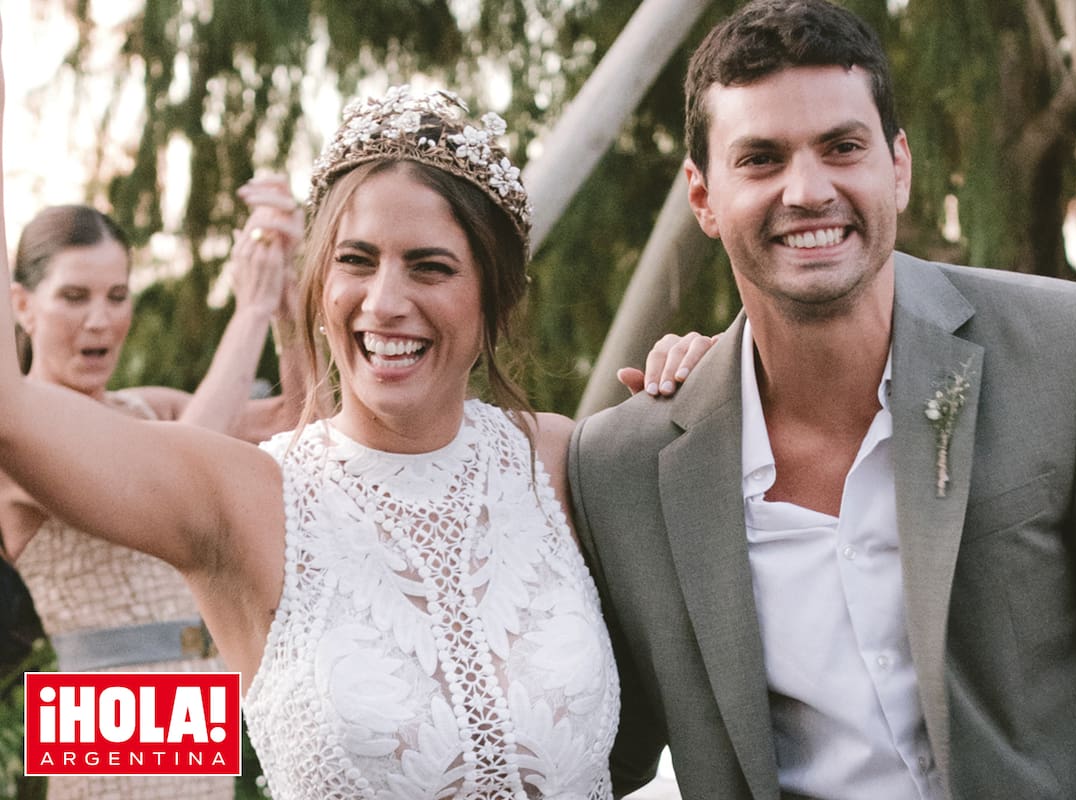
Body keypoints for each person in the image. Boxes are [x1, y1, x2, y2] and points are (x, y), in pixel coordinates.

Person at [0, 26, 713, 794]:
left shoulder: (563, 463)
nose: (385, 302)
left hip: (182, 697)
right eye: (354, 260)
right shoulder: (239, 494)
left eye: (432, 266)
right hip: (103, 702)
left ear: (495, 299)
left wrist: (710, 387)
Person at [570, 1, 1076, 798]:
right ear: (701, 197)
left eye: (842, 147)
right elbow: (587, 751)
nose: (807, 190)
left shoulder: (1071, 351)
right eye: (760, 159)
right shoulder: (626, 466)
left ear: (897, 166)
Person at [0, 180, 304, 800]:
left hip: (198, 716)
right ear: (22, 307)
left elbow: (299, 419)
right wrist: (247, 311)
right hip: (101, 726)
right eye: (75, 297)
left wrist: (286, 287)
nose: (100, 319)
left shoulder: (150, 408)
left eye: (117, 296)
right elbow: (180, 480)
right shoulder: (20, 440)